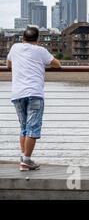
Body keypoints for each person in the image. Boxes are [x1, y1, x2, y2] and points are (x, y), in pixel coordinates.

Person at [6, 27, 61, 171]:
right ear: (37, 40)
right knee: (33, 128)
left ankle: (24, 157)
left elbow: (8, 65)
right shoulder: (40, 51)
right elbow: (57, 64)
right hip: (34, 93)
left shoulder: (15, 48)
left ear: (22, 38)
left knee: (24, 127)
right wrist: (41, 64)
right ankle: (26, 160)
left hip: (17, 94)